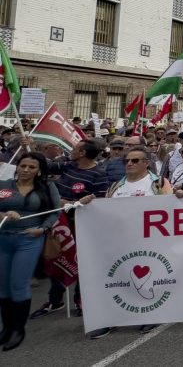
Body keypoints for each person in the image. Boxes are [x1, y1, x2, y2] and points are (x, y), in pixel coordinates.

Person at [90, 146, 172, 339]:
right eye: (127, 160)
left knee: (146, 280)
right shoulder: (116, 186)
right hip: (120, 240)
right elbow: (106, 211)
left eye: (135, 161)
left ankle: (150, 315)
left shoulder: (158, 183)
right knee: (117, 279)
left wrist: (179, 197)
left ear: (146, 163)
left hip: (149, 241)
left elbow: (170, 208)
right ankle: (110, 318)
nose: (129, 164)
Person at [32, 140, 109, 321]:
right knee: (55, 257)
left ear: (82, 153)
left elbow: (98, 203)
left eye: (75, 148)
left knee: (79, 261)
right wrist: (32, 149)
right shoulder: (68, 166)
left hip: (79, 225)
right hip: (58, 222)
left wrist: (71, 204)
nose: (71, 151)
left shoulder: (99, 175)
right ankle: (54, 300)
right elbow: (45, 166)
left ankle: (80, 299)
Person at [0, 152, 61, 351]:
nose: (26, 170)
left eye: (31, 167)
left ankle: (18, 329)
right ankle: (7, 328)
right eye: (22, 165)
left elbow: (54, 212)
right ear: (17, 166)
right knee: (3, 285)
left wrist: (42, 229)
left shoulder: (48, 187)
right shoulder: (4, 185)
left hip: (29, 239)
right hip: (3, 238)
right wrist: (3, 213)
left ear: (39, 170)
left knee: (19, 282)